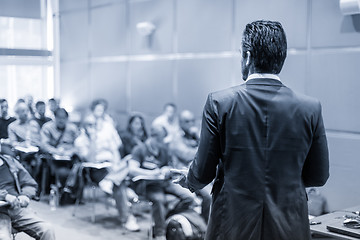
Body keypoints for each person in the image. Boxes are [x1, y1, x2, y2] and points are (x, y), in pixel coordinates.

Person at [174, 20, 329, 240]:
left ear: (247, 56)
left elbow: (202, 173)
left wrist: (189, 179)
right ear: (281, 58)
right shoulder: (310, 107)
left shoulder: (220, 102)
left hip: (232, 224)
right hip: (289, 224)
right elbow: (318, 175)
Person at [74, 114, 140, 232]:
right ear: (83, 127)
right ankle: (127, 218)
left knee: (130, 161)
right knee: (119, 184)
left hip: (111, 168)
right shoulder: (80, 141)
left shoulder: (103, 137)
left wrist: (117, 164)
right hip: (95, 171)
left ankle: (111, 182)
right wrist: (93, 140)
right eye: (89, 125)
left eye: (94, 125)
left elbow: (113, 151)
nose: (92, 128)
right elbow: (90, 158)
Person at [130, 124, 195, 240]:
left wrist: (166, 170)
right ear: (153, 137)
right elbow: (132, 169)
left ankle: (165, 218)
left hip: (164, 182)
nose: (163, 142)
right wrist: (151, 173)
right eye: (161, 139)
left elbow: (170, 167)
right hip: (148, 184)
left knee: (189, 197)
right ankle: (160, 234)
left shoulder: (164, 150)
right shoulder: (140, 149)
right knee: (159, 200)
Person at [0, 151, 55, 240]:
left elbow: (29, 183)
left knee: (47, 229)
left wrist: (25, 195)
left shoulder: (10, 162)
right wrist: (5, 196)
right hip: (1, 213)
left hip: (16, 208)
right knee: (3, 237)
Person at [169, 110, 211, 223]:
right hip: (183, 178)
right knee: (208, 197)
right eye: (187, 121)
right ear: (180, 123)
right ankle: (204, 226)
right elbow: (188, 155)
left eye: (193, 120)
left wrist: (199, 138)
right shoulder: (176, 138)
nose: (191, 124)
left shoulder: (195, 138)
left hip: (198, 174)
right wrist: (202, 144)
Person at [41, 108, 79, 192]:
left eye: (64, 118)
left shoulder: (72, 128)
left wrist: (71, 152)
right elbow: (44, 145)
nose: (61, 120)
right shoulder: (47, 127)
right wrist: (56, 151)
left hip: (70, 158)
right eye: (59, 118)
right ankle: (63, 192)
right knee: (62, 172)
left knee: (79, 171)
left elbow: (79, 144)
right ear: (54, 118)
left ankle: (74, 195)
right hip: (54, 158)